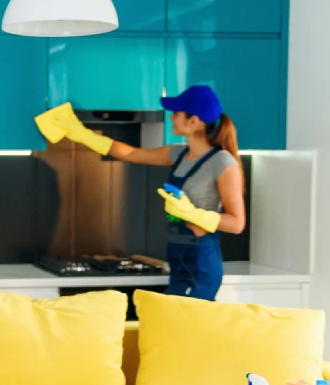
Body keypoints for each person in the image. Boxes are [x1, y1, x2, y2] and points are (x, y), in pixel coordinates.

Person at [35, 85, 246, 301]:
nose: (171, 117)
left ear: (194, 121)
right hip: (179, 254)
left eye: (176, 113)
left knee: (179, 319)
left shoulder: (222, 162)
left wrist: (193, 214)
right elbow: (131, 153)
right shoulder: (179, 153)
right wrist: (80, 133)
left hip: (201, 260)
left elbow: (236, 223)